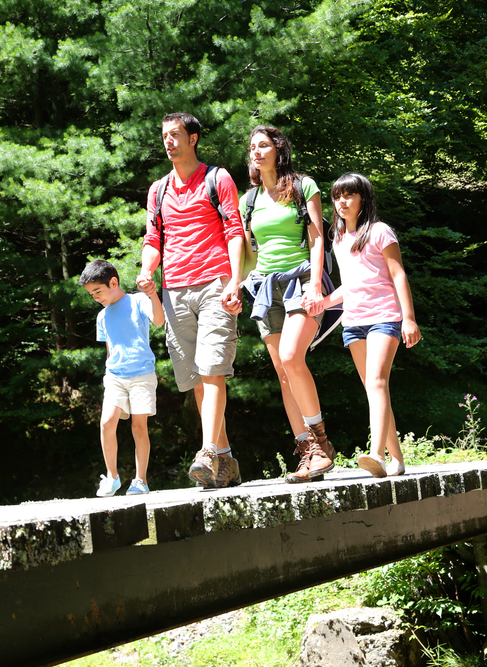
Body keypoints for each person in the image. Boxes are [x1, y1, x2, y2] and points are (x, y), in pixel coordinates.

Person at [136, 112, 245, 489]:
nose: (168, 141)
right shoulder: (158, 189)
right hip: (174, 290)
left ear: (193, 138)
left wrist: (235, 280)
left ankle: (208, 452)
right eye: (164, 135)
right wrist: (147, 270)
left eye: (176, 134)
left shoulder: (218, 178)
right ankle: (226, 461)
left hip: (215, 283)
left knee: (213, 369)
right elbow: (153, 239)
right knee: (196, 378)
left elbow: (235, 230)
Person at [303, 172, 422, 478]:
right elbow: (350, 286)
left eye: (349, 195)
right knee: (373, 388)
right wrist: (324, 303)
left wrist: (408, 319)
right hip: (353, 322)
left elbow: (398, 276)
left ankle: (377, 454)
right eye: (337, 196)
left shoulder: (381, 232)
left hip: (384, 317)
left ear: (363, 199)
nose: (341, 202)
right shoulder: (339, 239)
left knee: (378, 382)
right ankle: (396, 459)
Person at [240, 125, 338, 483]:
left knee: (293, 357)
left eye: (263, 145)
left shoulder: (302, 186)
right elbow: (250, 254)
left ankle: (321, 443)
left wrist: (314, 285)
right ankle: (308, 451)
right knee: (283, 374)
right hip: (266, 288)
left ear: (278, 149)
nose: (256, 151)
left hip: (301, 281)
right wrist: (237, 285)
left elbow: (317, 240)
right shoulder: (247, 200)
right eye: (252, 147)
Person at [79, 259, 165, 496]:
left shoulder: (138, 301)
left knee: (139, 427)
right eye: (91, 294)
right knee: (106, 423)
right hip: (115, 376)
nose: (95, 297)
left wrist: (153, 295)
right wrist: (109, 371)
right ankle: (112, 478)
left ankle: (141, 481)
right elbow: (110, 348)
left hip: (141, 375)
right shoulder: (102, 316)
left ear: (113, 282)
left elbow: (159, 321)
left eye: (98, 291)